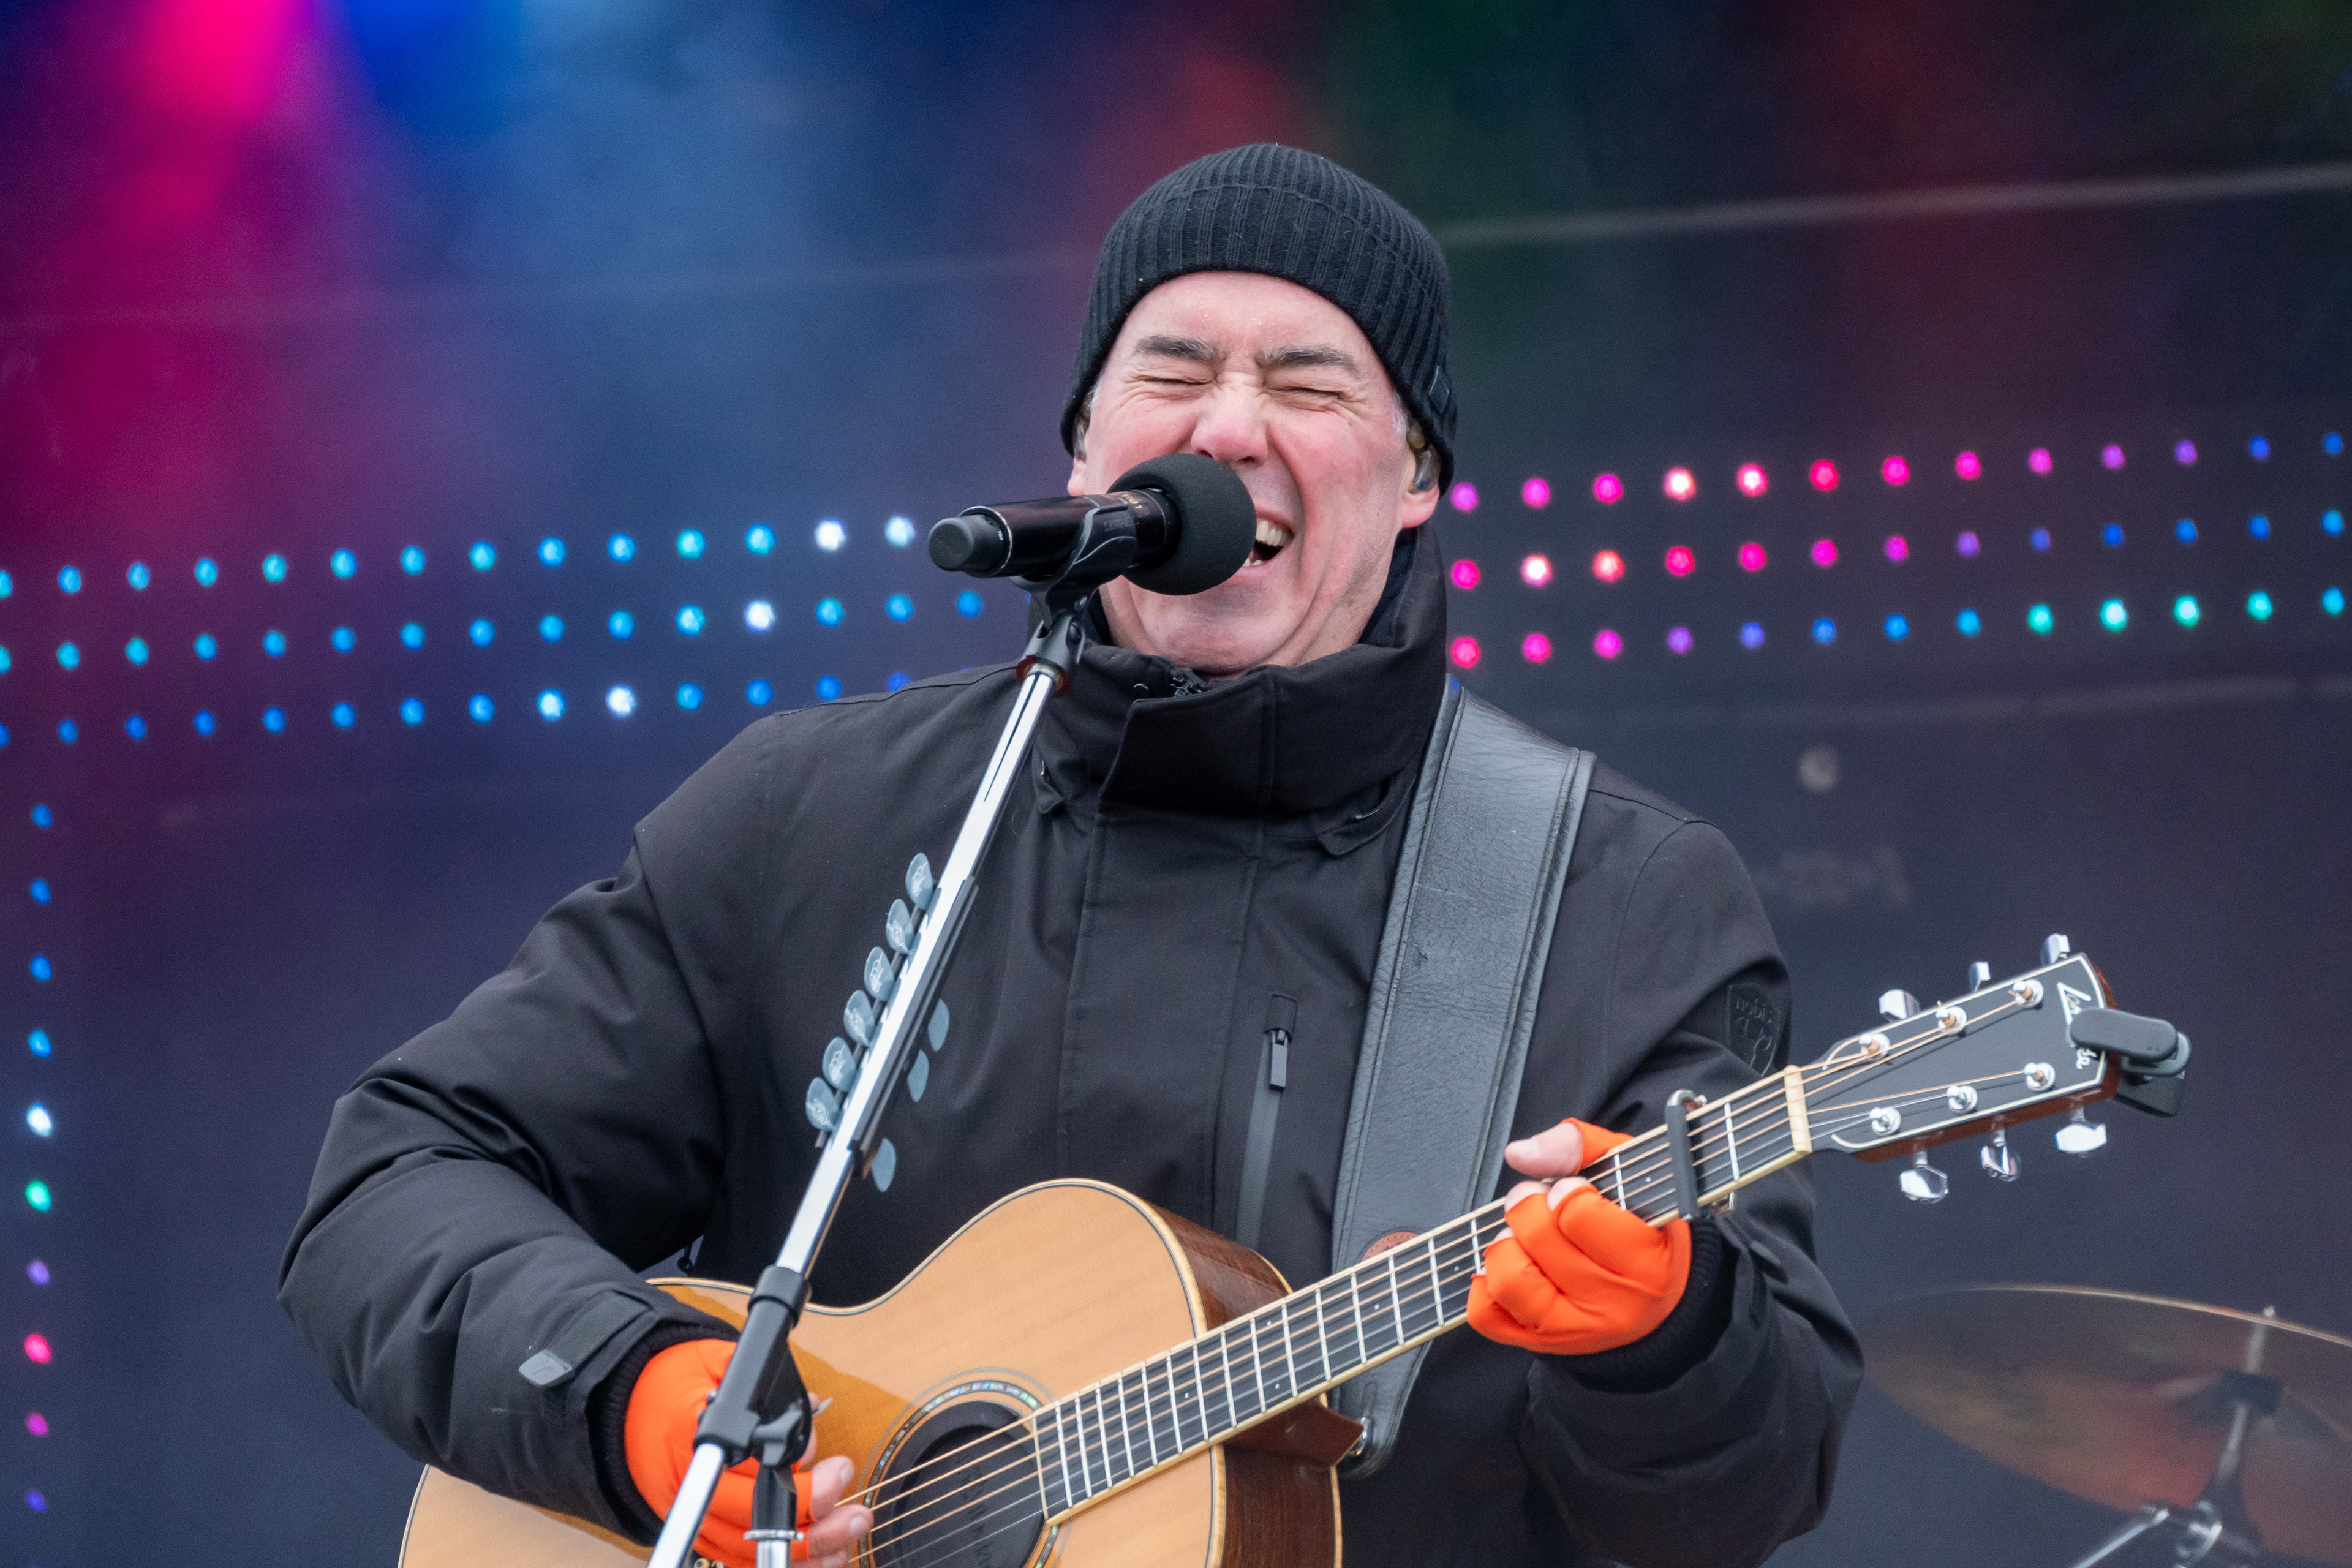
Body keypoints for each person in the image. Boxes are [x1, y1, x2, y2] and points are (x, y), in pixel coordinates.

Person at [282, 143, 1858, 1568]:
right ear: (1092, 444)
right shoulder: (815, 814)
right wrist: (636, 1399)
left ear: (1422, 476)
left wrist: (1667, 1333)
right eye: (1172, 365)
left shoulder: (1619, 893)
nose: (1226, 423)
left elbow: (1741, 1489)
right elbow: (403, 1173)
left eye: (1308, 381)